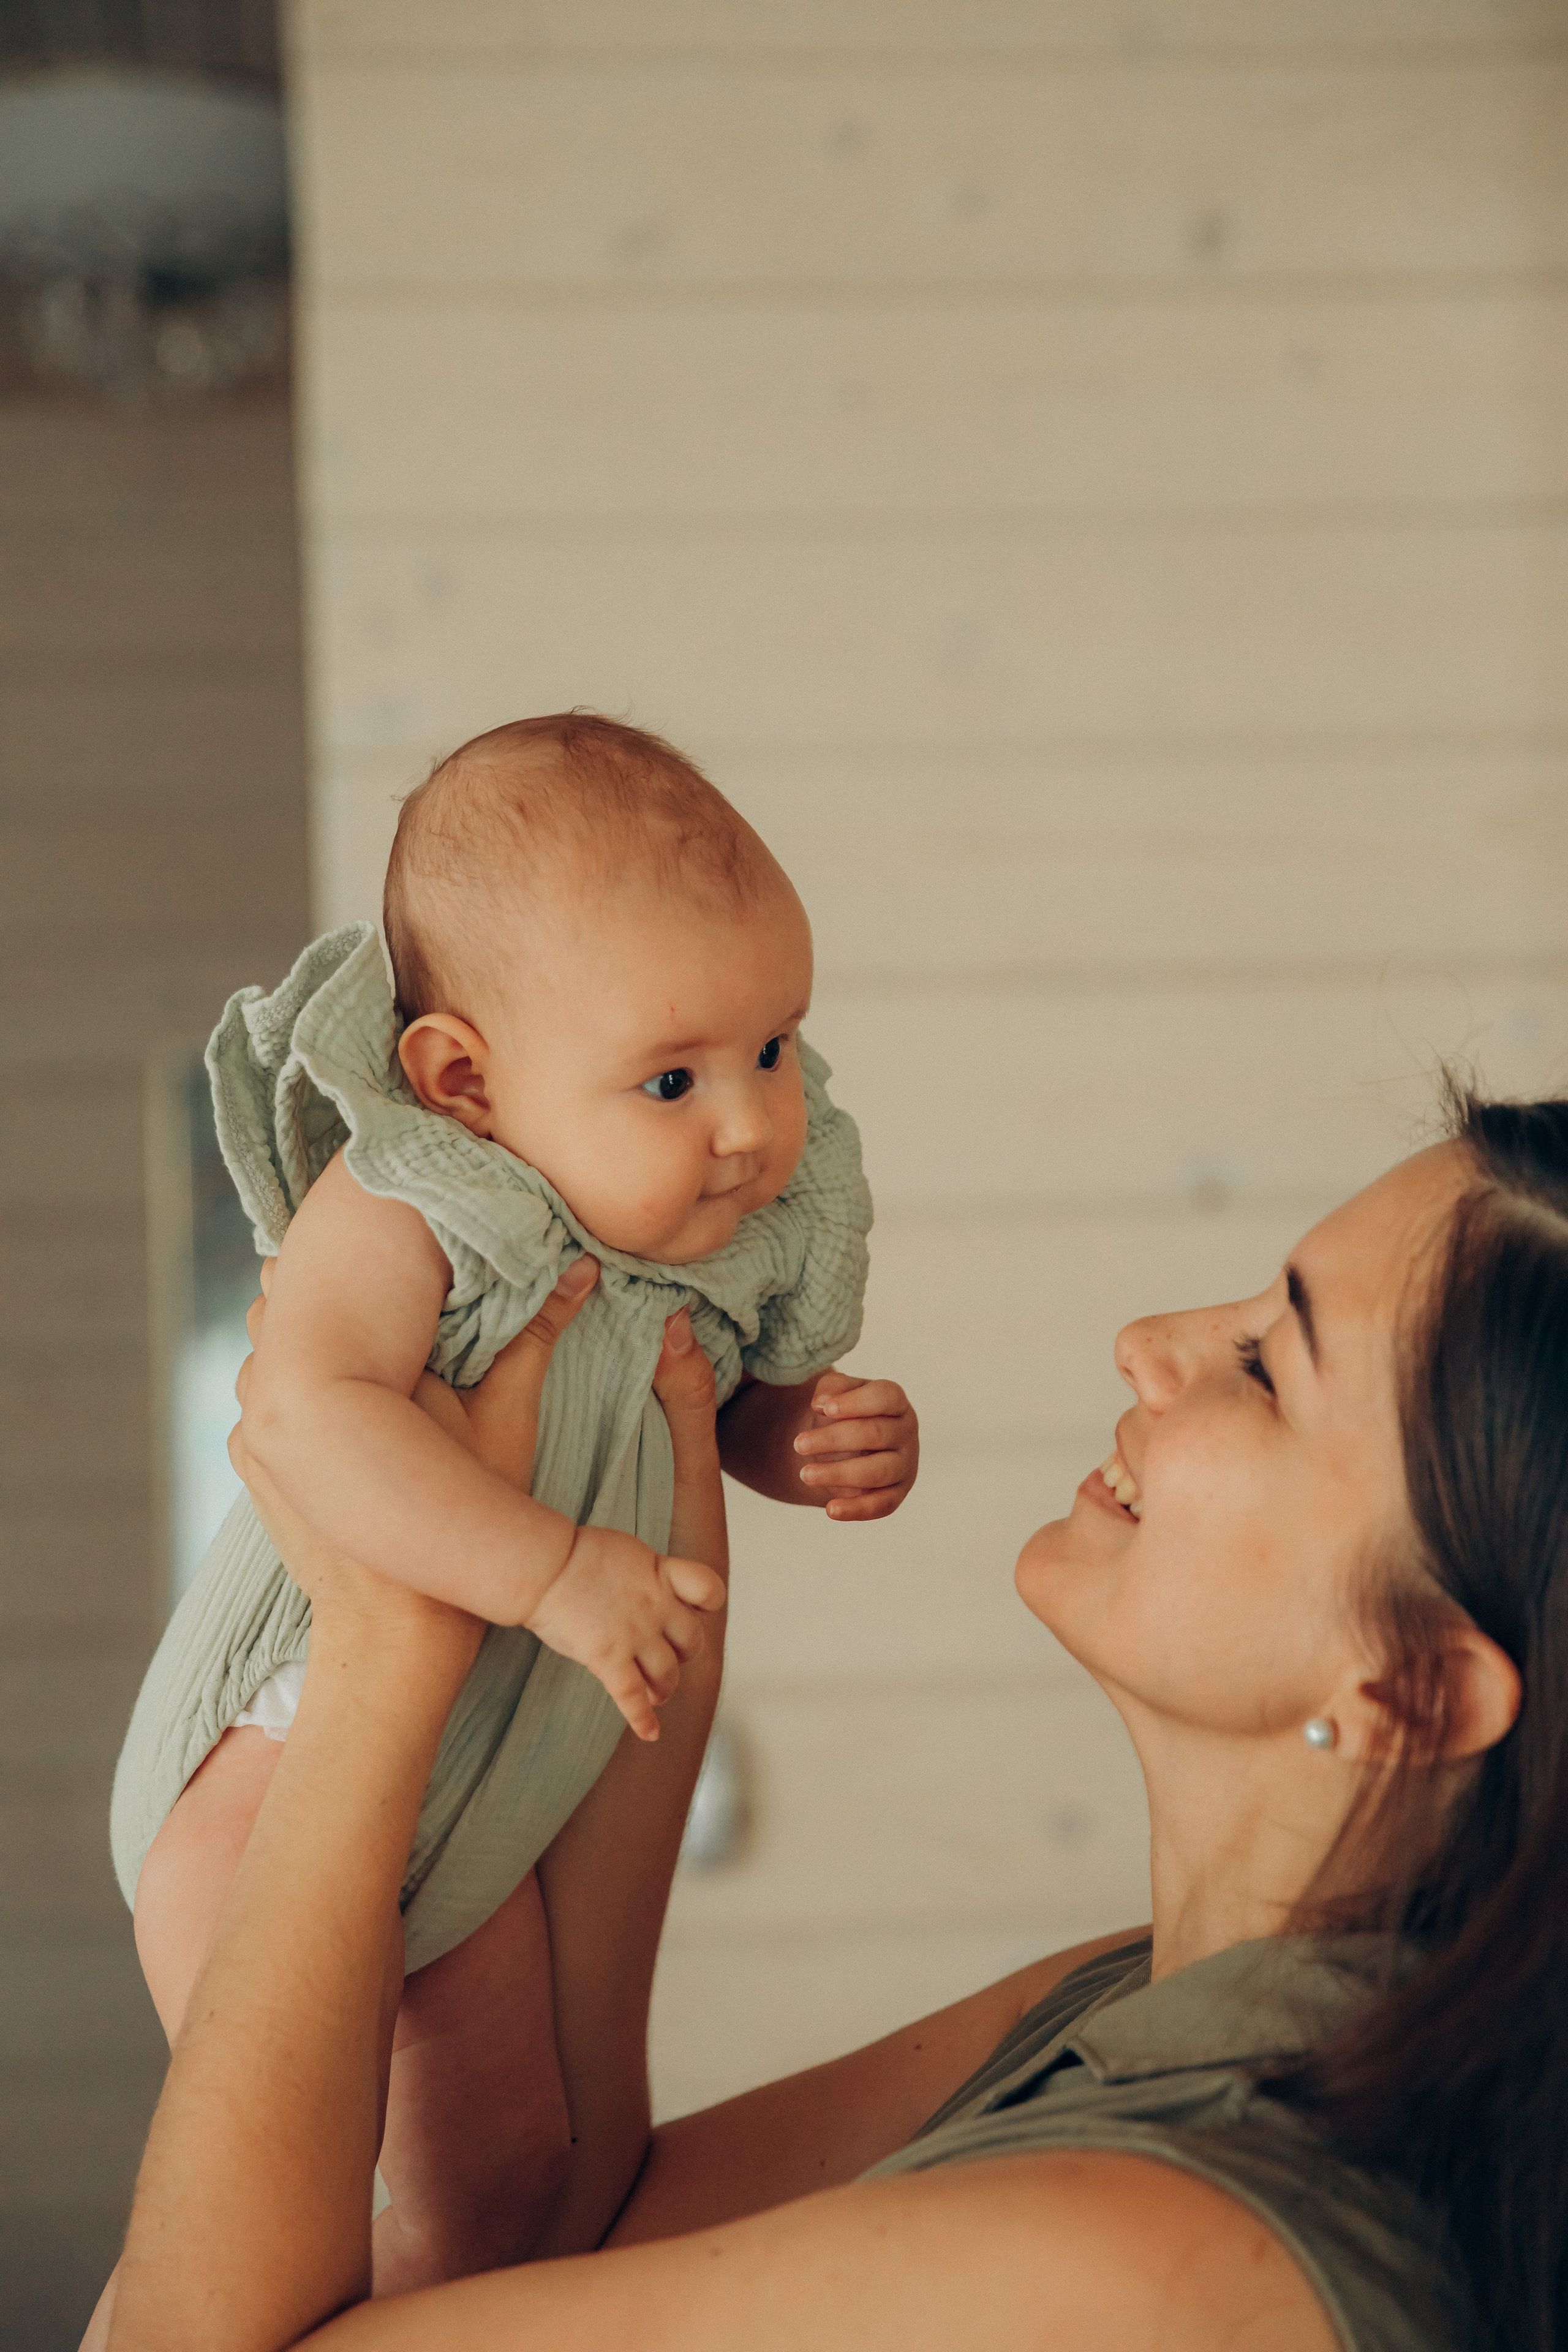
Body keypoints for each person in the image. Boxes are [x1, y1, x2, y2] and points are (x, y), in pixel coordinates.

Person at [106, 1090, 1568, 2352]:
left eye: (1266, 1365)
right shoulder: (1140, 2007)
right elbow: (563, 2210)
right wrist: (653, 1573)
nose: (1149, 1343)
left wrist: (383, 1642)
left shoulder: (1166, 2261)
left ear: (1413, 1689)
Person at [108, 712, 919, 2288]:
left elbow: (712, 1410)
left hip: (485, 1800)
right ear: (463, 1079)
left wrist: (802, 1436)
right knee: (289, 2214)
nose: (750, 1122)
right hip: (279, 1765)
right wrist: (549, 1572)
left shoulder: (724, 1224)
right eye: (673, 1075)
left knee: (506, 2200)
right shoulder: (423, 1195)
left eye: (772, 1047)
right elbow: (305, 1409)